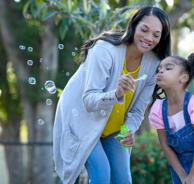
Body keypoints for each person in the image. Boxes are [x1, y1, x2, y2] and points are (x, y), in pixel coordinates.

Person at [53, 6, 171, 184]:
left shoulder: (154, 64)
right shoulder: (104, 51)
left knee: (123, 180)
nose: (149, 38)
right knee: (102, 175)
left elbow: (137, 112)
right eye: (144, 30)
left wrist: (128, 131)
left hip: (116, 128)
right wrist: (116, 94)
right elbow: (89, 100)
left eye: (156, 34)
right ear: (133, 26)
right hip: (83, 122)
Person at [149, 53, 194, 184]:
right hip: (178, 166)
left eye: (168, 68)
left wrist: (193, 175)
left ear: (184, 77)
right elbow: (165, 145)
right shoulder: (158, 109)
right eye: (159, 69)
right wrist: (182, 175)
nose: (161, 71)